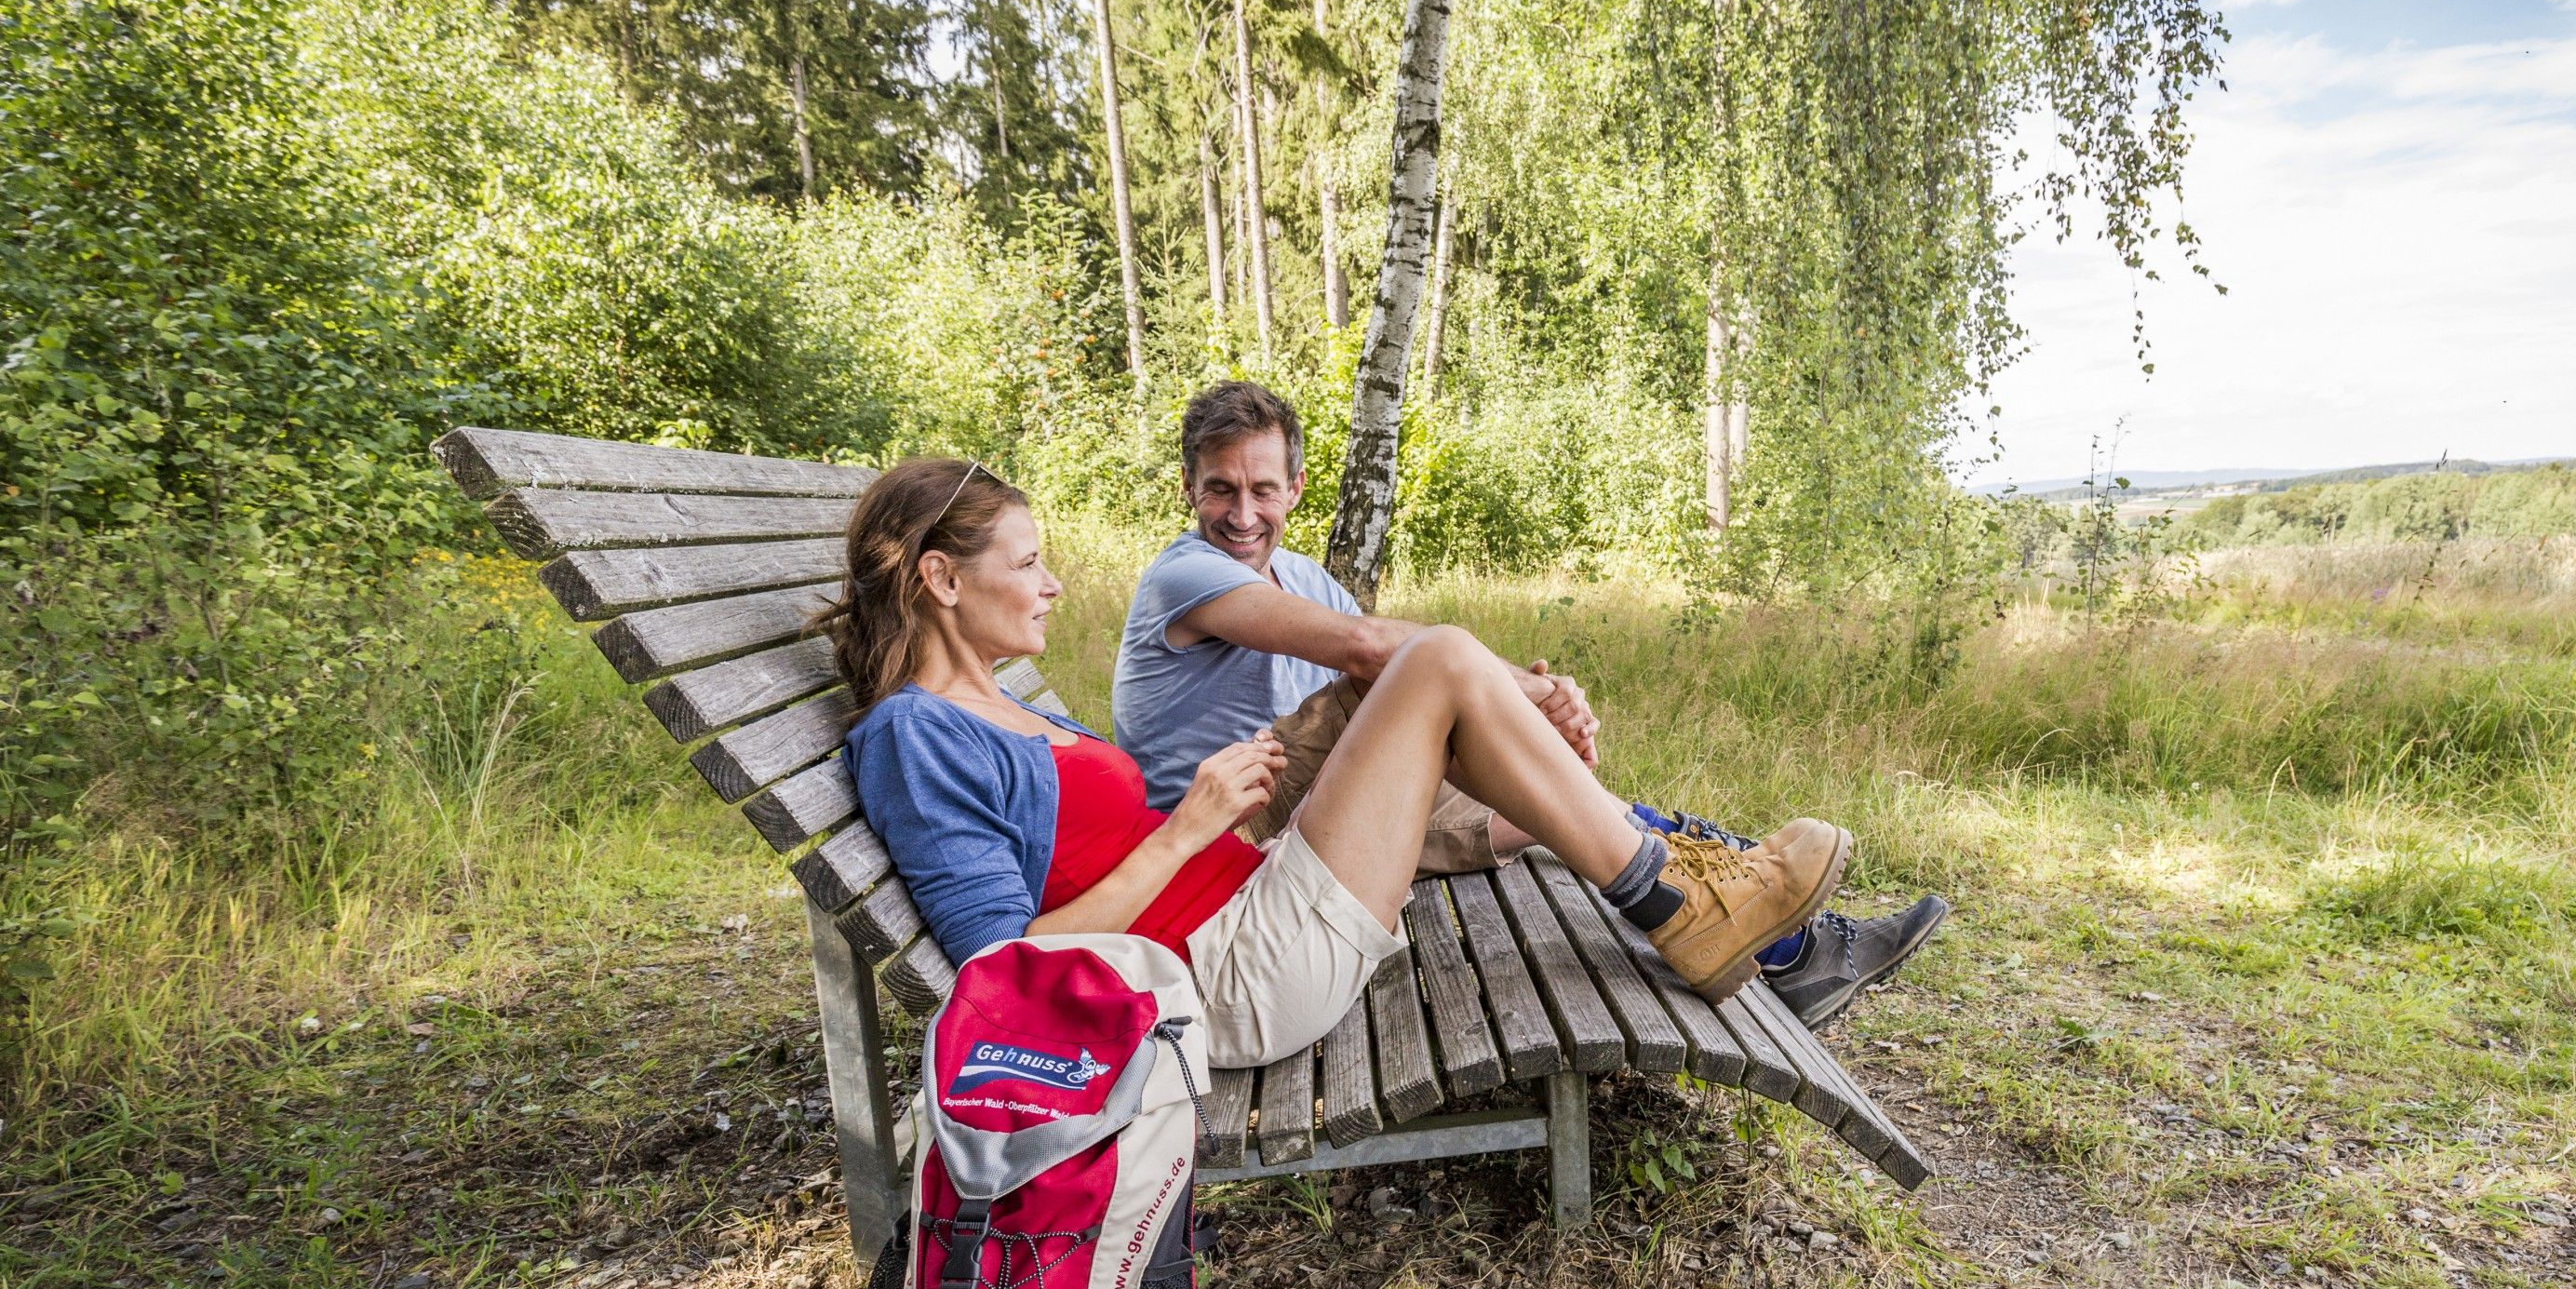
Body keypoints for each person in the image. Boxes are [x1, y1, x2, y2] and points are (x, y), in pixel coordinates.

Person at [830, 458, 1853, 1072]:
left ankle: (1684, 877)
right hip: (1233, 978)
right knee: (1438, 659)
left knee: (1426, 672)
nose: (1053, 585)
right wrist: (1186, 830)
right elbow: (1001, 975)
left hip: (1251, 903)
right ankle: (1679, 901)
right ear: (941, 579)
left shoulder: (994, 705)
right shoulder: (916, 737)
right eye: (1027, 564)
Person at [1108, 381, 1948, 1027]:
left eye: (1262, 489)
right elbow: (1373, 653)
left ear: (1294, 488)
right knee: (1418, 682)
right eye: (1220, 489)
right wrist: (1535, 691)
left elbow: (1400, 673)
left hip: (1307, 810)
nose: (1242, 514)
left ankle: (1792, 948)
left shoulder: (1300, 576)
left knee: (1559, 804)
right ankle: (1746, 924)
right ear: (1189, 489)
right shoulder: (1185, 574)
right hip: (1229, 833)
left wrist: (1518, 710)